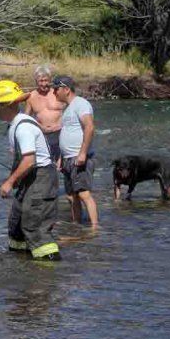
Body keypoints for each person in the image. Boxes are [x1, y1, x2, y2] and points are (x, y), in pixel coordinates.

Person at [0, 80, 60, 261]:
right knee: (17, 226)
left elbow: (29, 161)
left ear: (7, 105)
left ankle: (47, 280)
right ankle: (21, 268)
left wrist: (9, 183)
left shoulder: (23, 127)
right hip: (31, 180)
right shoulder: (15, 125)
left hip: (41, 179)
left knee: (35, 227)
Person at [52, 75, 99, 229]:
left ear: (66, 89)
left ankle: (94, 227)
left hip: (79, 157)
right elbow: (66, 133)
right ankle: (77, 224)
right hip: (68, 159)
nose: (54, 92)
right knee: (71, 196)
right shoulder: (67, 109)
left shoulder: (81, 104)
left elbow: (90, 127)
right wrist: (60, 158)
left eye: (56, 89)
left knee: (83, 193)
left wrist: (83, 153)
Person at [24, 65, 65, 165]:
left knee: (62, 166)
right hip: (43, 136)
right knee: (46, 165)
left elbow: (70, 112)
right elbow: (26, 119)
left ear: (50, 80)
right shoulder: (31, 97)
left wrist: (61, 124)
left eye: (46, 80)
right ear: (36, 82)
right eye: (41, 81)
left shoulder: (58, 93)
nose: (44, 84)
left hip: (61, 134)